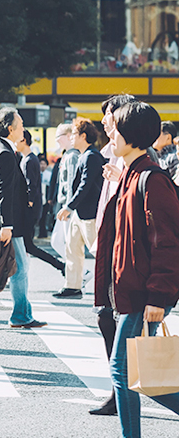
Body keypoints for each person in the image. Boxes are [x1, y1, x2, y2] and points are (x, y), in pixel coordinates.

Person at [95, 101, 179, 438]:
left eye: (115, 128)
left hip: (146, 293)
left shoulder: (150, 180)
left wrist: (159, 296)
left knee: (123, 369)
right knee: (140, 375)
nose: (110, 133)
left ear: (131, 135)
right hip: (133, 290)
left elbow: (167, 243)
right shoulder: (130, 175)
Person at [0, 107, 46, 329]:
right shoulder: (5, 153)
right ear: (10, 128)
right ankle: (20, 315)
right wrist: (7, 224)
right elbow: (4, 191)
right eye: (21, 125)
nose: (24, 129)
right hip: (8, 222)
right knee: (18, 267)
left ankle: (23, 313)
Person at [90, 93, 138, 416]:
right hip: (107, 250)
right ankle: (120, 389)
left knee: (113, 320)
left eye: (110, 115)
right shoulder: (109, 153)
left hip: (124, 253)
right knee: (106, 317)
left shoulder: (132, 159)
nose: (106, 121)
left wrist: (122, 180)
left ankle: (120, 389)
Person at [55, 117, 104, 299]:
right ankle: (72, 285)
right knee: (72, 247)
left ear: (83, 136)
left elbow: (86, 185)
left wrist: (69, 206)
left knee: (97, 250)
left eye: (74, 133)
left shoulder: (91, 156)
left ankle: (107, 285)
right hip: (81, 212)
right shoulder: (86, 155)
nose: (71, 136)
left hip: (89, 212)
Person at [16, 130, 65, 275]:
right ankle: (59, 265)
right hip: (30, 209)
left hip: (29, 211)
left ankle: (59, 265)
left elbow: (31, 185)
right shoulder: (27, 159)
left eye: (16, 140)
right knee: (27, 246)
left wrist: (29, 203)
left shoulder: (30, 160)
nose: (14, 143)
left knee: (28, 246)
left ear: (23, 140)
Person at [37, 155, 52, 238]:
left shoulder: (49, 174)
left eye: (44, 164)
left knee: (44, 216)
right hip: (38, 199)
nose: (42, 165)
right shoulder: (36, 174)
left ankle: (43, 233)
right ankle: (40, 233)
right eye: (41, 164)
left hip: (46, 198)